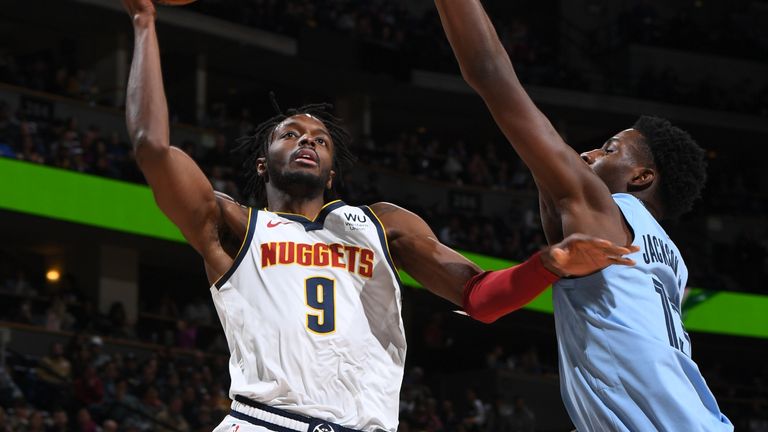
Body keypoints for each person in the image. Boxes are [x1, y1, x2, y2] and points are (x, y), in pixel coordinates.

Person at [121, 1, 638, 431]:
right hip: (265, 421)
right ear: (263, 163)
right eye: (291, 134)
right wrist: (145, 22)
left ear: (330, 172)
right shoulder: (235, 227)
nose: (307, 141)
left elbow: (479, 299)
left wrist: (548, 264)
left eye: (320, 139)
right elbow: (151, 146)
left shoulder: (383, 225)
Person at [433, 1, 732, 431]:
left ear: (642, 176)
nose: (590, 154)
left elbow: (490, 73)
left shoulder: (603, 214)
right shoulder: (671, 260)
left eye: (609, 149)